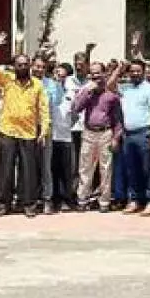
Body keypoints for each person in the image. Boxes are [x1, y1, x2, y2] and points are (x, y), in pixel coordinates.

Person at [114, 54, 150, 216]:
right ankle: (134, 200)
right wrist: (119, 69)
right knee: (131, 169)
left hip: (145, 132)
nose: (135, 74)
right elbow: (109, 86)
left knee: (148, 169)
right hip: (128, 134)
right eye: (132, 71)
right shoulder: (126, 88)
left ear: (143, 72)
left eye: (138, 71)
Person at [74, 61, 123, 211]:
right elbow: (76, 108)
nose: (95, 76)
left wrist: (116, 138)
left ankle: (104, 201)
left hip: (105, 133)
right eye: (93, 73)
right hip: (89, 132)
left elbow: (118, 119)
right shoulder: (87, 91)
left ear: (104, 74)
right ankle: (82, 199)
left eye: (98, 73)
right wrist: (87, 93)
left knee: (105, 168)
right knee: (85, 168)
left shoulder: (111, 96)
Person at [47, 63, 77, 211]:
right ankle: (53, 199)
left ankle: (66, 199)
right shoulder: (49, 89)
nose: (59, 78)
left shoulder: (72, 92)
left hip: (66, 137)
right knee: (52, 170)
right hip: (51, 136)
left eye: (62, 76)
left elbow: (76, 112)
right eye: (57, 75)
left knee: (66, 171)